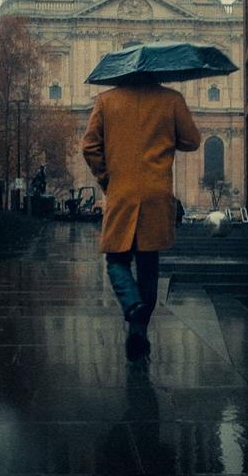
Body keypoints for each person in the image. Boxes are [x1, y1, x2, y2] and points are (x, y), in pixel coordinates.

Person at [82, 81, 200, 360]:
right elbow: (192, 140)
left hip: (121, 192)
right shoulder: (172, 99)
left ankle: (132, 305)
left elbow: (89, 146)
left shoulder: (106, 100)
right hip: (156, 195)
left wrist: (106, 177)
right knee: (148, 265)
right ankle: (139, 330)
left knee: (116, 260)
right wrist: (166, 136)